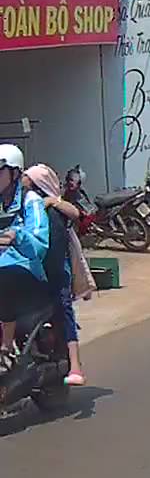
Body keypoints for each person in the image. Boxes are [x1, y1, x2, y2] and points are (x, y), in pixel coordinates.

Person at [26, 165, 93, 385]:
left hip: (54, 270)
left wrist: (54, 202)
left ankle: (75, 365)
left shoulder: (54, 208)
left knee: (63, 310)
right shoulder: (22, 206)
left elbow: (77, 214)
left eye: (27, 180)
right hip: (30, 269)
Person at [0, 146, 50, 370]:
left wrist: (17, 236)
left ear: (15, 172)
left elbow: (40, 243)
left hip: (25, 269)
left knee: (3, 278)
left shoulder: (31, 201)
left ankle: (6, 346)